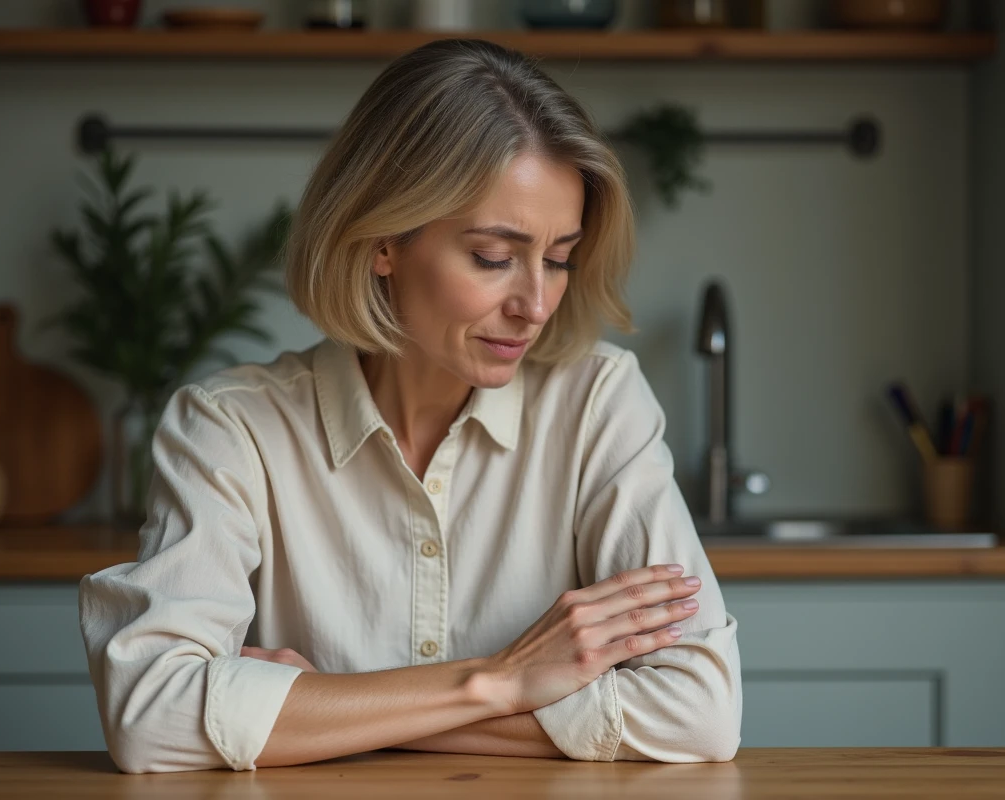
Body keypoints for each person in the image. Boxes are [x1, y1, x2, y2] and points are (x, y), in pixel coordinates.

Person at [78, 37, 742, 774]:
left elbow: (700, 713)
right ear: (383, 240)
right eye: (494, 257)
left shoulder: (598, 402)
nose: (536, 303)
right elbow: (150, 716)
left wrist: (327, 707)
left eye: (558, 259)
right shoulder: (230, 428)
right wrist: (500, 682)